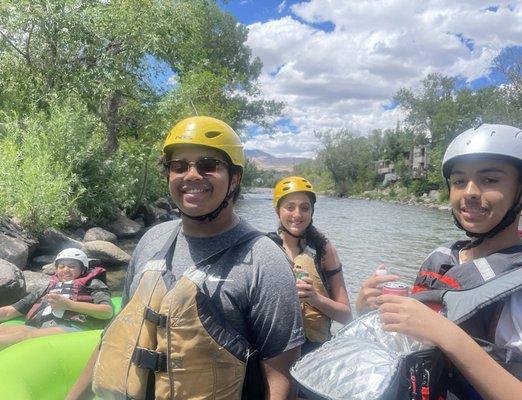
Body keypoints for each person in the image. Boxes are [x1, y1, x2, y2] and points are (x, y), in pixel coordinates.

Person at [68, 116, 304, 400]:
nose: (191, 175)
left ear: (235, 178)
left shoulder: (264, 261)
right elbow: (116, 335)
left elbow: (280, 379)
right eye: (179, 166)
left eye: (208, 165)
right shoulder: (151, 241)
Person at [356, 123, 522, 399]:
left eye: (490, 180)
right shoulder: (440, 259)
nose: (470, 192)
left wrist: (446, 335)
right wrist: (368, 311)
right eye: (459, 181)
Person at [271, 176, 352, 355]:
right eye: (290, 207)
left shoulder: (324, 250)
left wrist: (315, 299)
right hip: (276, 350)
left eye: (305, 208)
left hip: (314, 351)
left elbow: (346, 316)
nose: (297, 215)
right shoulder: (266, 247)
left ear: (312, 212)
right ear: (278, 210)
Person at [0, 248, 113, 350]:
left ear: (82, 269)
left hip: (73, 329)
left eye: (72, 266)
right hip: (39, 328)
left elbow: (107, 312)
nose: (66, 270)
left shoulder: (93, 284)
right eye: (61, 266)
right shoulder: (46, 288)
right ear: (56, 269)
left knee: (22, 337)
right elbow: (10, 311)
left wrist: (69, 305)